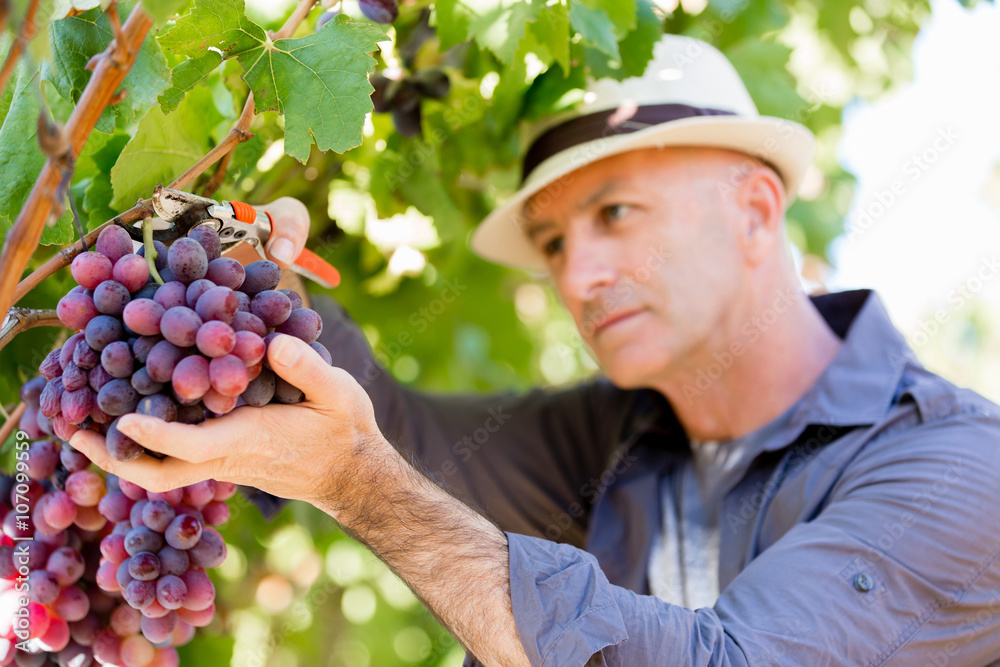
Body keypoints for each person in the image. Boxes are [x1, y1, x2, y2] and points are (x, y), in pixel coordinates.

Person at [71, 35, 1000, 666]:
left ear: (756, 210)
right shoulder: (618, 433)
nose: (580, 274)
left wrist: (358, 484)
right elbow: (399, 439)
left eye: (616, 213)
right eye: (555, 242)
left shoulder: (957, 470)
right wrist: (271, 293)